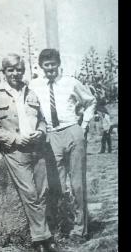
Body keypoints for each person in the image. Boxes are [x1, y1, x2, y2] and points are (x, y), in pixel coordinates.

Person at [0, 54, 58, 252]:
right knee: (30, 194)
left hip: (37, 149)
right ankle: (42, 239)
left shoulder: (30, 92)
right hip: (16, 151)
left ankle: (44, 236)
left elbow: (41, 119)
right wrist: (15, 139)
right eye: (11, 70)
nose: (15, 73)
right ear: (4, 72)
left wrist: (41, 131)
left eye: (19, 69)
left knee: (43, 192)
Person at [29, 48, 96, 240]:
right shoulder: (34, 85)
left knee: (77, 184)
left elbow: (90, 101)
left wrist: (83, 125)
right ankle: (61, 226)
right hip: (51, 136)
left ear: (58, 64)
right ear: (41, 66)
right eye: (46, 65)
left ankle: (80, 230)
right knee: (55, 184)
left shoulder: (71, 82)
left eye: (53, 64)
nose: (50, 68)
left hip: (72, 131)